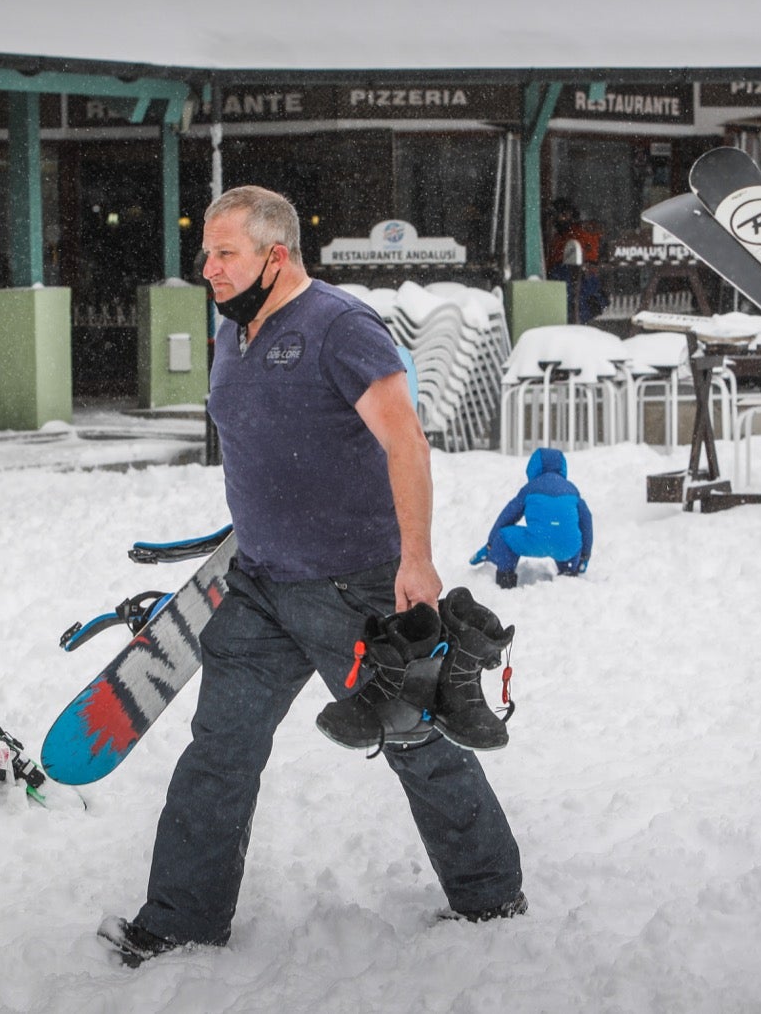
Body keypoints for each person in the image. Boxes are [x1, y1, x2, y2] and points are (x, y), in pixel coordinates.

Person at [99, 186, 524, 967]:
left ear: (276, 255)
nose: (209, 268)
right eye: (206, 253)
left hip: (352, 586)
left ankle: (490, 891)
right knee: (219, 750)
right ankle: (183, 919)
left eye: (225, 253)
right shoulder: (232, 331)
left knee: (415, 739)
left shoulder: (340, 326)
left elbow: (405, 442)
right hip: (259, 584)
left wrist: (417, 558)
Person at [470, 446, 593, 589]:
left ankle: (506, 580)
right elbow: (586, 522)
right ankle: (569, 576)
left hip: (536, 541)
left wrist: (490, 546)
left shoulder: (530, 488)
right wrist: (585, 555)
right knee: (569, 538)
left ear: (533, 467)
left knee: (505, 537)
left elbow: (507, 517)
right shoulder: (572, 490)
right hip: (567, 547)